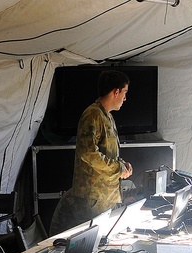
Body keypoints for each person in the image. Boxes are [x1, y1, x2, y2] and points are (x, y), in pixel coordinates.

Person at [49, 70, 133, 236]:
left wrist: (122, 164)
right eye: (124, 93)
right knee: (93, 243)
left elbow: (106, 153)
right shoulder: (92, 115)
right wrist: (118, 169)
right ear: (116, 92)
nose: (125, 98)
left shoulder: (107, 116)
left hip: (105, 197)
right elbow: (88, 153)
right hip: (92, 198)